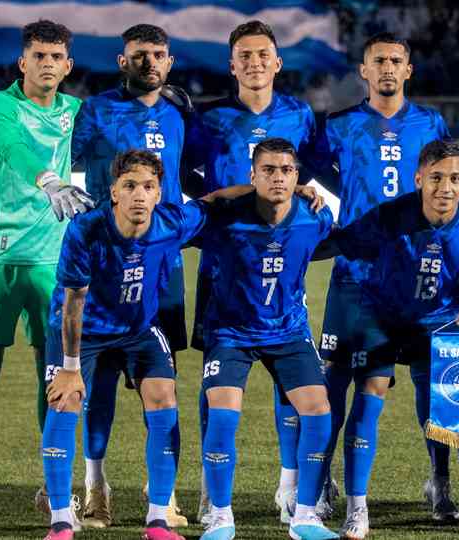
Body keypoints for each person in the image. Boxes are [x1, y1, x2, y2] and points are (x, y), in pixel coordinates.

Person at [317, 138, 459, 539]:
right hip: (381, 316)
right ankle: (357, 509)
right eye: (436, 177)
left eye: (455, 178)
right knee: (370, 395)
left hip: (439, 318)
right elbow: (339, 242)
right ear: (419, 178)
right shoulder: (390, 216)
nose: (445, 187)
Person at [0, 20, 93, 537]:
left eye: (56, 55)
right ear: (22, 62)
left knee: (53, 380)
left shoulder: (78, 112)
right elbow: (13, 147)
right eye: (38, 55)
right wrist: (50, 178)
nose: (47, 63)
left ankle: (55, 489)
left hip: (52, 264)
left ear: (68, 65)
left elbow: (116, 140)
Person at [179, 21, 319, 524]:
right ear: (232, 64)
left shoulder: (301, 115)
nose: (255, 62)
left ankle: (290, 485)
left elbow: (312, 170)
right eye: (245, 54)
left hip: (281, 263)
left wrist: (303, 192)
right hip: (224, 264)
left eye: (264, 53)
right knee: (216, 375)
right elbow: (182, 173)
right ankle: (208, 487)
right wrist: (222, 203)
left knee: (290, 369)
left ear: (277, 62)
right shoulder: (211, 121)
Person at [311, 32, 451, 523]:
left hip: (416, 278)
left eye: (396, 60)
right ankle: (321, 480)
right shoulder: (339, 126)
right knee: (337, 382)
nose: (388, 68)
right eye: (378, 61)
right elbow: (305, 175)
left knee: (431, 381)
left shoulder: (431, 122)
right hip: (355, 275)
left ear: (408, 70)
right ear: (363, 71)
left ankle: (439, 480)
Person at [40, 150, 204, 540]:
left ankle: (158, 519)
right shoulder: (87, 229)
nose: (139, 195)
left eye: (148, 187)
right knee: (65, 400)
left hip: (137, 327)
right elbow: (73, 304)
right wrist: (69, 367)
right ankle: (62, 519)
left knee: (164, 396)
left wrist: (292, 188)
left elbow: (215, 203)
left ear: (159, 193)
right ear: (113, 192)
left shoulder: (172, 222)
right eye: (130, 186)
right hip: (84, 328)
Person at [69, 23, 191, 529]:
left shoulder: (182, 111)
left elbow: (201, 172)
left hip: (164, 269)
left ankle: (160, 492)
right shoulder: (94, 110)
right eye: (139, 55)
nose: (149, 63)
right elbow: (59, 162)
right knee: (97, 389)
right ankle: (95, 487)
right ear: (122, 62)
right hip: (107, 264)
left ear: (169, 61)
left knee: (160, 385)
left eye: (158, 55)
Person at [195, 138, 338, 540]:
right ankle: (220, 515)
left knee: (318, 411)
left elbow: (337, 242)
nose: (278, 178)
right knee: (223, 414)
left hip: (288, 330)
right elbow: (192, 213)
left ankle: (305, 514)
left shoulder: (314, 219)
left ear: (298, 176)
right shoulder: (224, 218)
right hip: (230, 331)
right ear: (252, 175)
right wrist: (225, 194)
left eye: (287, 171)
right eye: (269, 170)